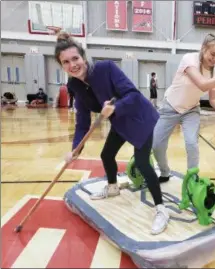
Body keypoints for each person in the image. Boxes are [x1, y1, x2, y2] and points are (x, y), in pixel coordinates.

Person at [54, 31, 169, 235]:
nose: (72, 64)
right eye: (65, 62)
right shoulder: (75, 86)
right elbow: (82, 124)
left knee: (142, 163)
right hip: (120, 122)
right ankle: (113, 187)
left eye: (75, 58)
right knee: (106, 155)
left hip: (138, 118)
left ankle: (161, 209)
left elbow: (133, 95)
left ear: (83, 57)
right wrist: (75, 151)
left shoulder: (106, 68)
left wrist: (114, 108)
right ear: (61, 65)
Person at [152, 33, 215, 182]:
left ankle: (192, 179)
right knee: (157, 145)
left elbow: (214, 101)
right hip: (170, 106)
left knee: (191, 143)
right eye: (212, 54)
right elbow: (202, 84)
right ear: (203, 48)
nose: (214, 59)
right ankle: (164, 171)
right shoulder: (189, 59)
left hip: (191, 110)